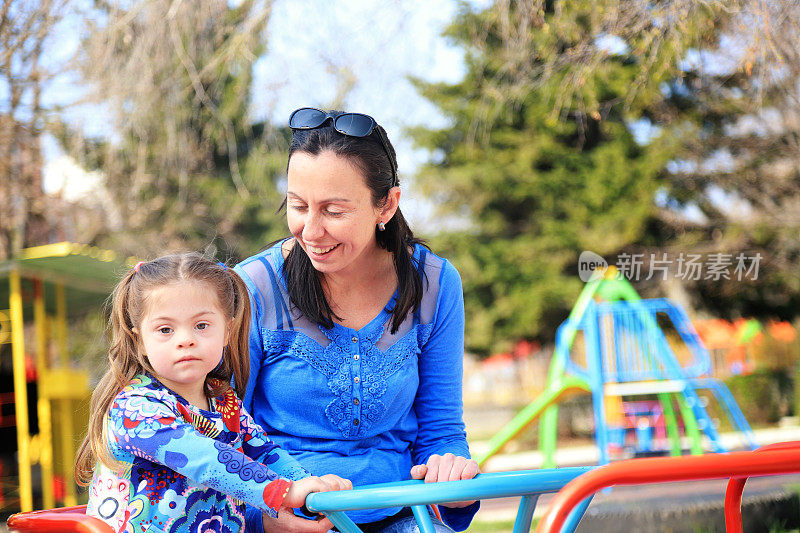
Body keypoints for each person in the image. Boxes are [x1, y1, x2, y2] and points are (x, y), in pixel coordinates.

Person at [234, 108, 480, 533]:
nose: (310, 230)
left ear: (386, 204)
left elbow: (440, 434)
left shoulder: (435, 284)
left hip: (400, 517)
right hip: (284, 520)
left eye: (333, 210)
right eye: (298, 206)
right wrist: (266, 518)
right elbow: (223, 434)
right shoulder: (253, 287)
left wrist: (454, 477)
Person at [75, 253, 351, 533]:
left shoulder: (223, 399)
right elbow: (204, 459)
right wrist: (280, 492)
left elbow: (263, 451)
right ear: (140, 341)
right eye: (165, 329)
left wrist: (308, 487)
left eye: (202, 326)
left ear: (227, 331)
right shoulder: (134, 408)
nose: (186, 340)